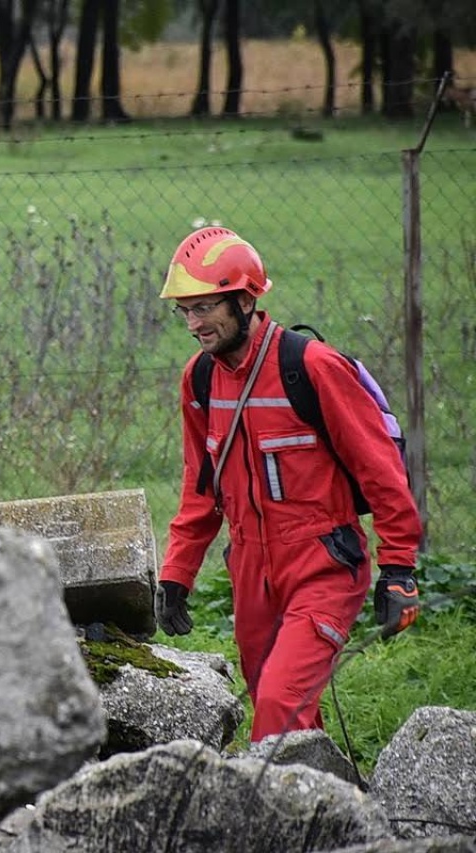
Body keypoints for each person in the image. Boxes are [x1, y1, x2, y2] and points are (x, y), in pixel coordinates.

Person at [154, 226, 422, 742]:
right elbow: (201, 488)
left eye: (204, 308)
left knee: (280, 704)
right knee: (280, 710)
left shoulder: (312, 367)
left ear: (245, 299)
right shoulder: (200, 379)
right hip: (249, 568)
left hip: (322, 564)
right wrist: (177, 573)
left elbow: (382, 472)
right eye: (184, 311)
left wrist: (398, 569)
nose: (193, 324)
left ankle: (272, 797)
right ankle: (323, 792)